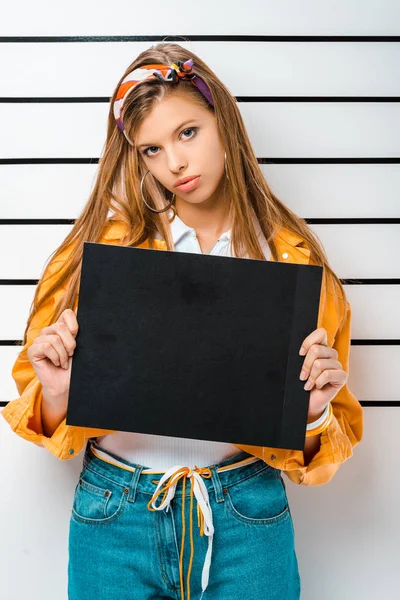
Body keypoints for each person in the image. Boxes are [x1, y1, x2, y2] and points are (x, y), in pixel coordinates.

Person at [1, 43, 364, 600]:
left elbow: (320, 456)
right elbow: (44, 420)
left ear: (223, 119)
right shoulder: (99, 255)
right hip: (114, 514)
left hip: (248, 515)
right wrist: (57, 395)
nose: (174, 163)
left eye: (187, 133)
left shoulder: (290, 261)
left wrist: (311, 413)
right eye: (151, 149)